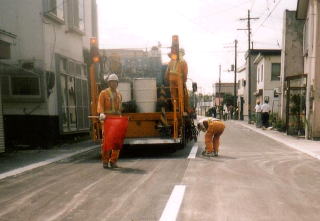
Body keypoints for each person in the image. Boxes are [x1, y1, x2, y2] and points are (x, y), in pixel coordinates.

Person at [97, 73, 123, 169]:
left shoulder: (119, 94)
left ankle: (113, 161)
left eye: (115, 82)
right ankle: (105, 161)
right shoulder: (103, 93)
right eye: (112, 82)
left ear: (117, 83)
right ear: (109, 83)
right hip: (107, 119)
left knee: (116, 141)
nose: (114, 84)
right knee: (107, 141)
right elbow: (100, 105)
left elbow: (120, 108)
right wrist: (101, 113)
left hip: (117, 120)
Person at [165, 48, 189, 113]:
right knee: (180, 94)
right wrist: (184, 81)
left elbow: (167, 71)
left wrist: (167, 79)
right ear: (182, 54)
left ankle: (176, 107)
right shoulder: (183, 62)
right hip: (179, 79)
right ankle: (179, 108)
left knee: (173, 95)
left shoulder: (171, 61)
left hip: (171, 79)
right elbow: (185, 73)